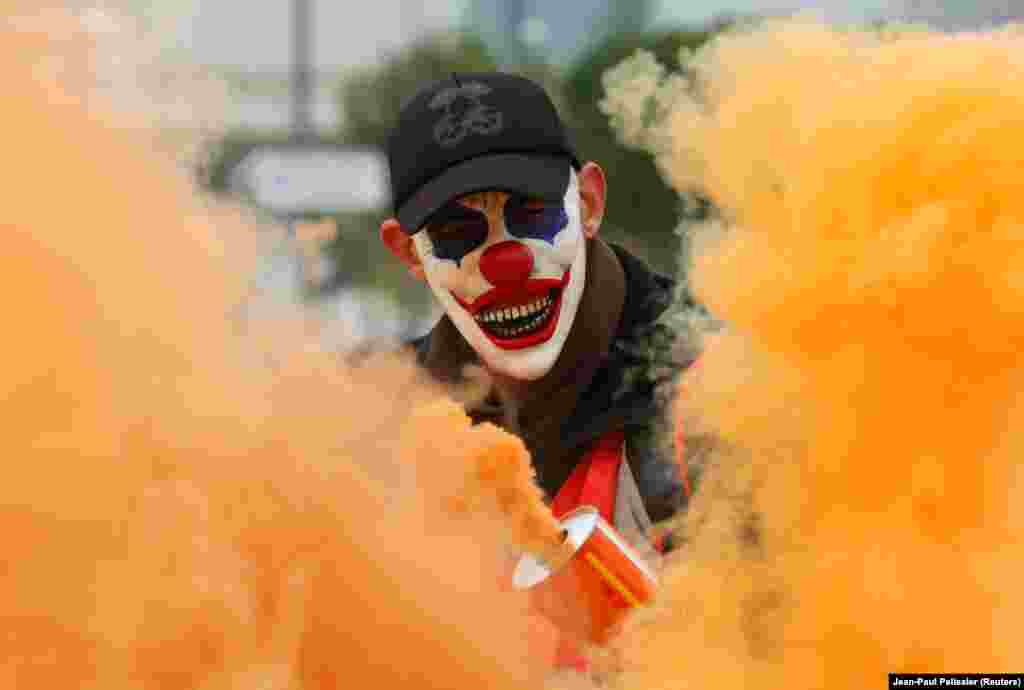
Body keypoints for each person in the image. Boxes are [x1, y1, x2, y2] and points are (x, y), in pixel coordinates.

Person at [380, 71, 692, 552]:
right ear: (409, 254)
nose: (507, 263)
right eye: (457, 233)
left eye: (534, 213)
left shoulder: (714, 387)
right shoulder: (388, 415)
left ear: (589, 204)